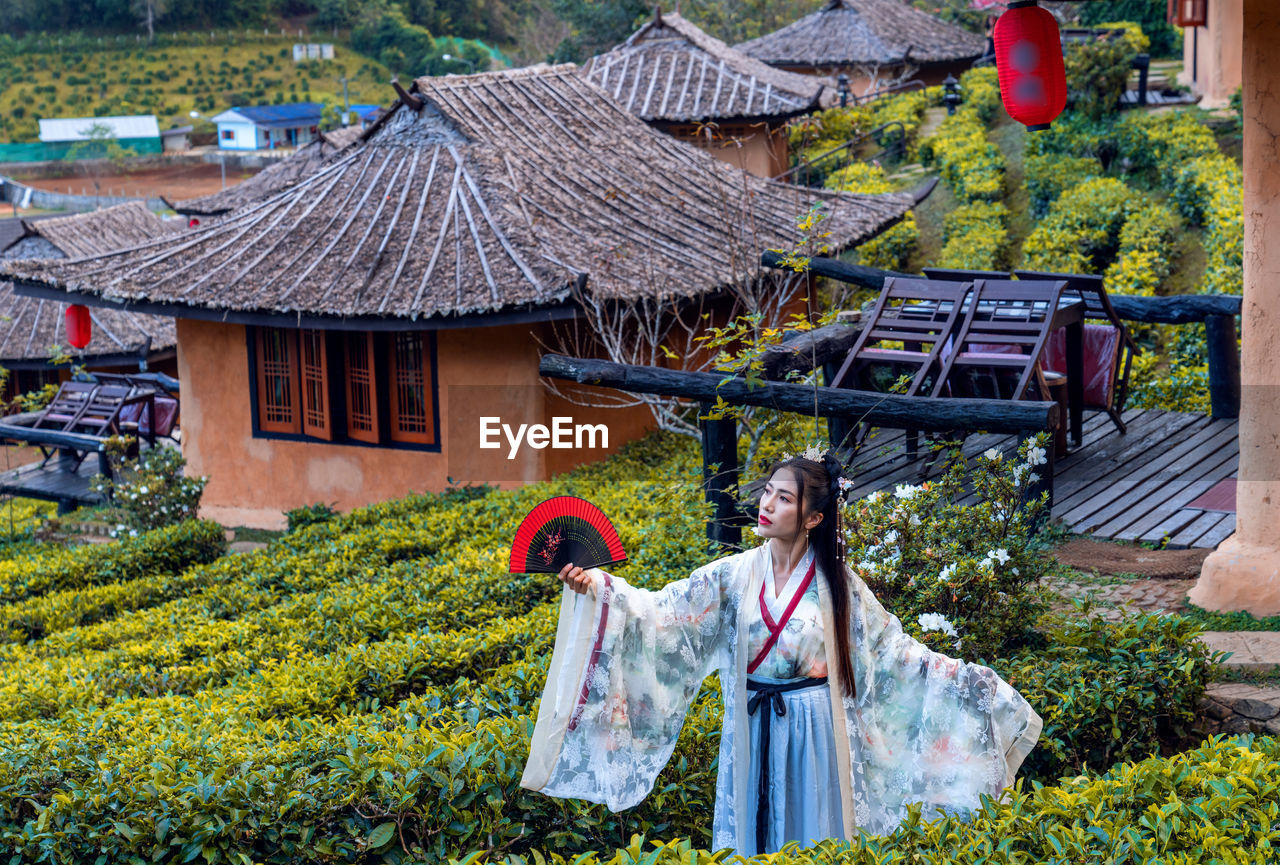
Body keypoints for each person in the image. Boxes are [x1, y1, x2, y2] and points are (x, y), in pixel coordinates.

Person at [520, 452, 1043, 856]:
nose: (766, 505)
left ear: (814, 517)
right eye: (767, 493)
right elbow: (663, 615)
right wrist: (599, 588)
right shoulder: (733, 575)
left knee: (818, 834)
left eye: (784, 499)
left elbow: (894, 654)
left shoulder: (840, 587)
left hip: (817, 732)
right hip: (752, 728)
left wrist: (971, 685)